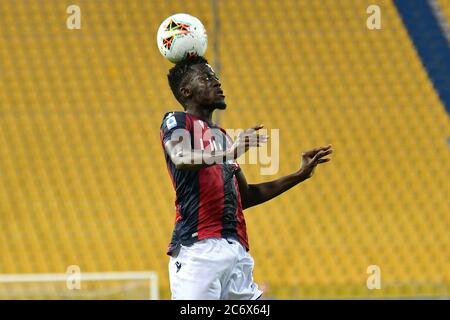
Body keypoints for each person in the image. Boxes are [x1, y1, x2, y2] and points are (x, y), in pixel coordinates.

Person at [160, 56, 333, 300]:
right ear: (186, 91)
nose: (217, 83)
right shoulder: (177, 121)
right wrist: (230, 153)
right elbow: (180, 156)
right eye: (207, 78)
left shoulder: (222, 137)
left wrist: (299, 175)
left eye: (216, 78)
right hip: (198, 251)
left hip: (236, 252)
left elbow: (246, 195)